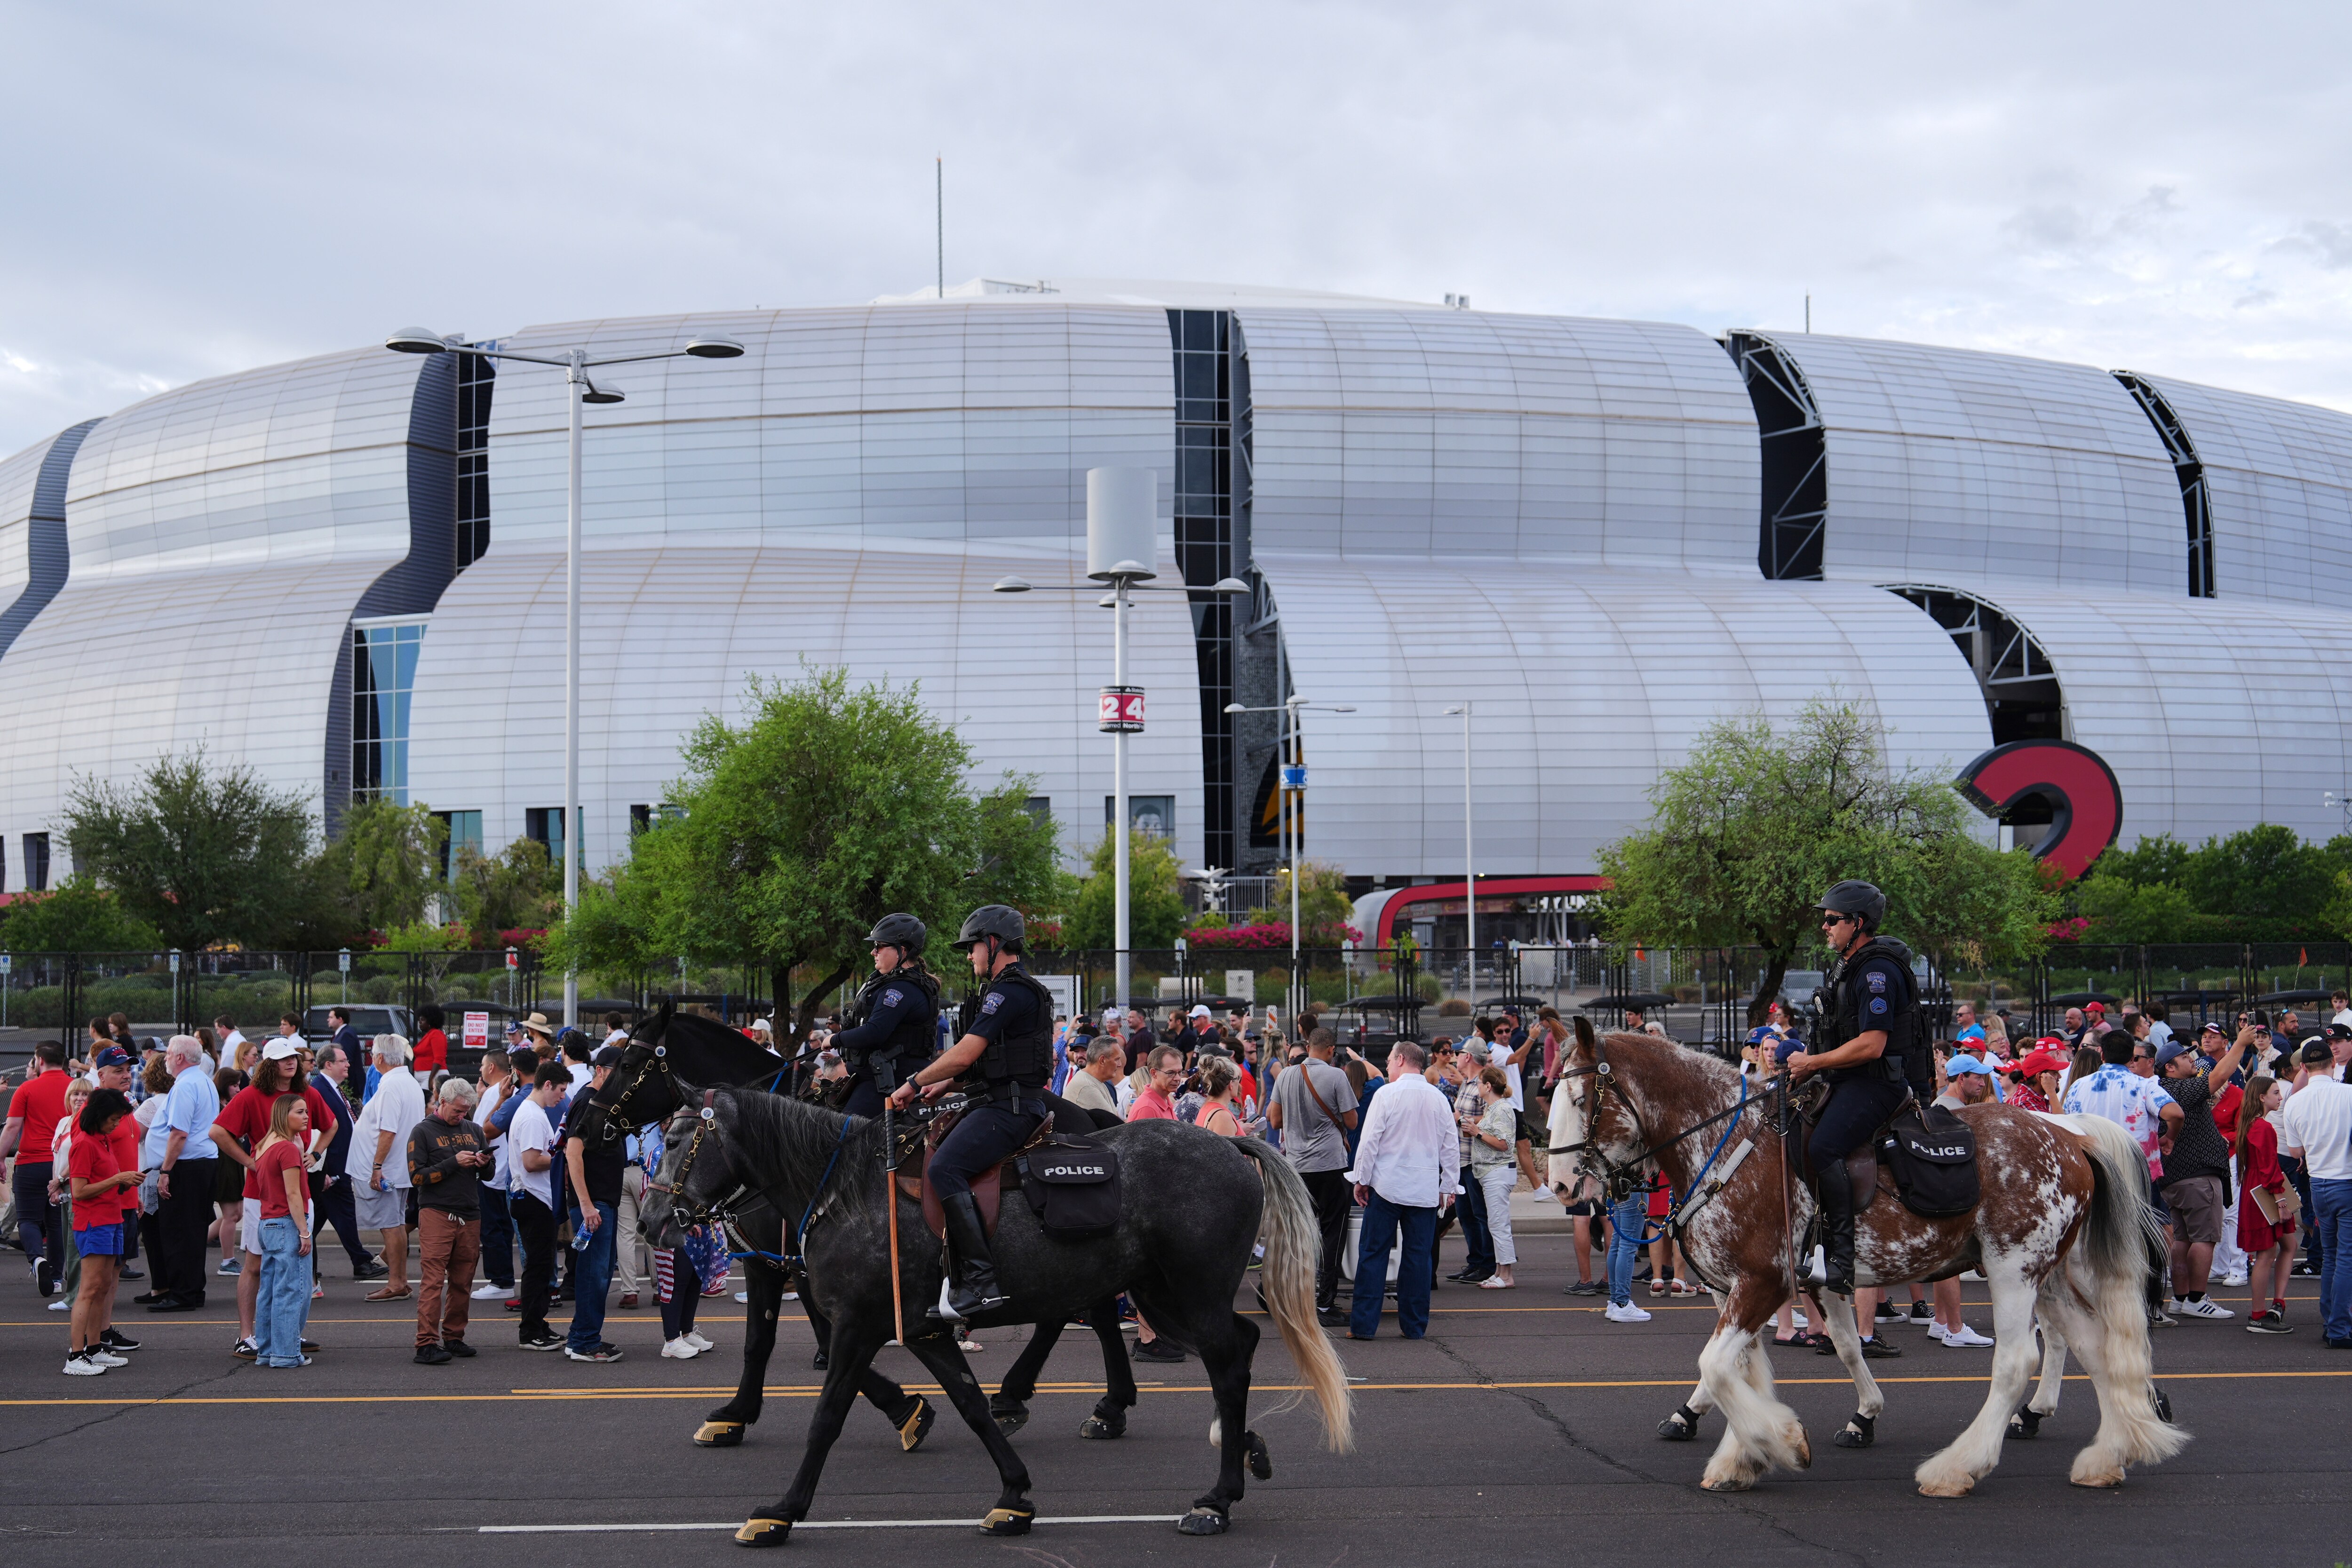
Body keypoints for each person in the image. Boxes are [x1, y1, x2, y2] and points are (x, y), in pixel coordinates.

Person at [887, 906, 1053, 1321]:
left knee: (944, 1168)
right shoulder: (1007, 990)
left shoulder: (1006, 991)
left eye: (973, 947)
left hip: (1009, 1109)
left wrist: (911, 1082)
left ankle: (981, 1281)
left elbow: (966, 1052)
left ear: (994, 943)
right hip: (999, 1099)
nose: (970, 956)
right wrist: (946, 1083)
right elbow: (991, 1062)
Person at [1785, 880, 1926, 1297]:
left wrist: (1811, 1063)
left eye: (1832, 920)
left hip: (1875, 1084)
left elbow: (1872, 1044)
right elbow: (1831, 1031)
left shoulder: (1876, 972)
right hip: (1844, 1081)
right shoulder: (1849, 965)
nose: (1824, 927)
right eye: (1824, 920)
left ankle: (1843, 1257)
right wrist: (1797, 1074)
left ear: (1857, 923)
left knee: (1824, 1147)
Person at [208, 1042, 334, 1360]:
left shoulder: (307, 1092)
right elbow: (218, 1131)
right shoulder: (251, 1095)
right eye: (283, 1059)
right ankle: (247, 1335)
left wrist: (316, 1153)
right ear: (268, 1063)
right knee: (257, 1264)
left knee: (293, 1269)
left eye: (294, 1057)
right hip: (260, 1196)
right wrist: (250, 1162)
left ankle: (286, 1333)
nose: (291, 1063)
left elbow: (331, 1124)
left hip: (298, 1192)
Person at [1343, 1041, 1459, 1341]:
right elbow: (1450, 1146)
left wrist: (1361, 1180)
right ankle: (1415, 1325)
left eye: (1391, 1060)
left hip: (1387, 1186)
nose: (1387, 1066)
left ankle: (1364, 1325)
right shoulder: (1438, 1098)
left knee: (1373, 1254)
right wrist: (1448, 1185)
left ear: (1402, 1059)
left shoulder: (1386, 1094)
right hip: (1423, 1189)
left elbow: (1370, 1142)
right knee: (1419, 1259)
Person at [2156, 1028, 2254, 1319]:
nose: (2192, 1059)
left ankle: (2182, 1298)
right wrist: (2240, 1044)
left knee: (2183, 1239)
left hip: (2176, 1178)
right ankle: (2198, 1299)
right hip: (2198, 1177)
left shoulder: (2162, 1089)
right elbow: (2220, 1077)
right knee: (2204, 1239)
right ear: (2170, 1068)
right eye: (2185, 1057)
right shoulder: (2178, 1088)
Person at [1268, 1026, 1359, 1327]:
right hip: (1330, 1164)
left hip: (1296, 1166)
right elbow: (1352, 1121)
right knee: (1332, 1232)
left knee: (1300, 1233)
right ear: (1331, 1050)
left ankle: (1296, 1296)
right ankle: (1324, 1303)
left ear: (1308, 1046)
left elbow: (1276, 1119)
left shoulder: (1286, 1075)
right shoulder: (1336, 1076)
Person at [409, 1077, 490, 1364]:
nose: (462, 1116)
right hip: (436, 1212)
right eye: (457, 1110)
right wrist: (454, 1162)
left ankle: (454, 1337)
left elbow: (489, 1177)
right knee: (433, 1281)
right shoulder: (423, 1131)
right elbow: (417, 1177)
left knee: (463, 1280)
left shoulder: (475, 1130)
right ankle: (426, 1343)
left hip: (470, 1213)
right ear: (442, 1102)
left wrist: (484, 1163)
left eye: (466, 1110)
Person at [61, 1087, 142, 1375]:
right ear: (98, 1116)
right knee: (89, 1289)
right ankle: (76, 1355)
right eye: (113, 1119)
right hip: (94, 1221)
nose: (117, 1123)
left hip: (111, 1218)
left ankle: (94, 1349)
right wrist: (118, 1179)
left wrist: (124, 1184)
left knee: (103, 1286)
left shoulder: (102, 1140)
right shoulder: (83, 1143)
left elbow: (103, 1180)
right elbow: (79, 1191)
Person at [829, 914, 941, 1115]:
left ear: (903, 951)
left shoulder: (902, 988)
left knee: (844, 1135)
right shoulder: (891, 983)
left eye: (880, 946)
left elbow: (875, 1032)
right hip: (874, 1078)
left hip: (891, 1083)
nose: (874, 952)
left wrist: (834, 1039)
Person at [2280, 1036, 2352, 1347]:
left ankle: (2331, 1320)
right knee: (2346, 1256)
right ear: (2333, 1063)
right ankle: (2339, 1327)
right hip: (2347, 1180)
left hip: (2320, 1182)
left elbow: (2296, 1150)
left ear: (2305, 1068)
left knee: (2332, 1256)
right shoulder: (2348, 1094)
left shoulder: (2295, 1101)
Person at [560, 1046, 629, 1362]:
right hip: (593, 1202)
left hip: (601, 1200)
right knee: (594, 1272)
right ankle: (585, 1341)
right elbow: (572, 1154)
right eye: (619, 1071)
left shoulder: (602, 1101)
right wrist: (587, 1205)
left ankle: (582, 1337)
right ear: (600, 1070)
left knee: (598, 1272)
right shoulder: (588, 1101)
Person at [348, 1035, 427, 1302]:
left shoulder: (393, 1085)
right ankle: (399, 1281)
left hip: (387, 1170)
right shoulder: (407, 1082)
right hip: (396, 1168)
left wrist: (376, 1167)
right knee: (396, 1224)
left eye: (373, 1055)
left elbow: (388, 1131)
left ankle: (397, 1282)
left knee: (391, 1225)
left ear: (379, 1058)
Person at [1925, 1056, 1996, 1347]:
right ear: (1961, 1078)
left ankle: (1941, 1322)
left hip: (1949, 1194)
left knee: (1946, 1262)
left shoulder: (1950, 1106)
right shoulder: (1947, 1110)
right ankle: (1954, 1328)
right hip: (1951, 1197)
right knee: (1950, 1262)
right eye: (1977, 1078)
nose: (1982, 1083)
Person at [146, 1036, 220, 1312]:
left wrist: (166, 1170)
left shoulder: (186, 1085)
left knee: (178, 1231)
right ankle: (191, 1289)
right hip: (202, 1164)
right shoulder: (202, 1081)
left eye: (168, 1055)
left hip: (188, 1167)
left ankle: (182, 1293)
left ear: (180, 1058)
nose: (164, 1059)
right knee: (193, 1230)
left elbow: (178, 1134)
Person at [506, 1060, 571, 1350]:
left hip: (536, 1198)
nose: (561, 1096)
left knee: (543, 1266)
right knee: (538, 1268)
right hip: (533, 1198)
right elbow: (532, 1162)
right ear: (546, 1085)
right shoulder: (533, 1117)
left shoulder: (535, 1113)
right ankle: (530, 1331)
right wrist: (564, 1158)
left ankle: (538, 1324)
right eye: (560, 1090)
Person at [250, 1093, 315, 1368]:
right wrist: (304, 1231)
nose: (306, 1117)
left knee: (270, 1291)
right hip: (287, 1222)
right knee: (294, 1290)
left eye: (306, 1112)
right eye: (299, 1112)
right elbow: (293, 1193)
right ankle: (286, 1353)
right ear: (284, 1115)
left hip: (267, 1222)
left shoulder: (264, 1145)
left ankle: (267, 1351)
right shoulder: (287, 1149)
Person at [5, 1040, 74, 1298]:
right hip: (64, 1163)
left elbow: (12, 1128)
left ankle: (37, 1260)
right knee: (56, 1223)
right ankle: (57, 1276)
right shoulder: (76, 1089)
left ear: (40, 1061)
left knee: (28, 1220)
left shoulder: (27, 1089)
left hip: (31, 1162)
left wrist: (1, 1159)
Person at [306, 1042, 380, 1283]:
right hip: (333, 1166)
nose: (349, 1064)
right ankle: (361, 1261)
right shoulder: (319, 1090)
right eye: (343, 1061)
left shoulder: (332, 1088)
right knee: (344, 1211)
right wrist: (324, 1169)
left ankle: (303, 1255)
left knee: (322, 1217)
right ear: (329, 1065)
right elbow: (317, 1131)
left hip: (340, 1165)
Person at [2236, 1075, 2296, 1333]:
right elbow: (2270, 1169)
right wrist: (2281, 1200)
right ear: (2262, 1097)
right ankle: (2258, 1316)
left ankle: (2277, 1304)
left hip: (2257, 1190)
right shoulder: (2263, 1128)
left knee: (2286, 1246)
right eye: (2276, 1093)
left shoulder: (2251, 1124)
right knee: (2266, 1253)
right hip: (2266, 1193)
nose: (2280, 1097)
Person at [1469, 1065, 1519, 1289]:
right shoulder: (1493, 1108)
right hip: (1490, 1172)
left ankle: (1507, 1276)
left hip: (1497, 1171)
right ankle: (1500, 1271)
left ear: (1488, 1086)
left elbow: (1505, 1144)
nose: (1477, 1086)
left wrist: (1477, 1132)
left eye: (1479, 1083)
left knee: (1499, 1225)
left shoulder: (1502, 1109)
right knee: (1495, 1224)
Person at [1060, 1036, 1126, 1121]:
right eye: (1117, 1060)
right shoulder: (1087, 1087)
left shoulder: (1096, 1081)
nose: (1120, 1064)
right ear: (1103, 1061)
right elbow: (1114, 1129)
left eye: (1084, 1050)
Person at [1192, 1055, 1246, 1136]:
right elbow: (1227, 1149)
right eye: (1239, 1079)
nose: (1239, 1084)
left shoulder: (1209, 1106)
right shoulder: (1222, 1117)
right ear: (1231, 1084)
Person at [413, 1005, 451, 1084]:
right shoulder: (428, 1035)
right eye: (419, 1019)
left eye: (423, 1020)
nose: (420, 1022)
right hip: (425, 1077)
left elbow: (439, 1058)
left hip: (433, 1076)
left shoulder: (436, 1034)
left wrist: (431, 1079)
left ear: (430, 1021)